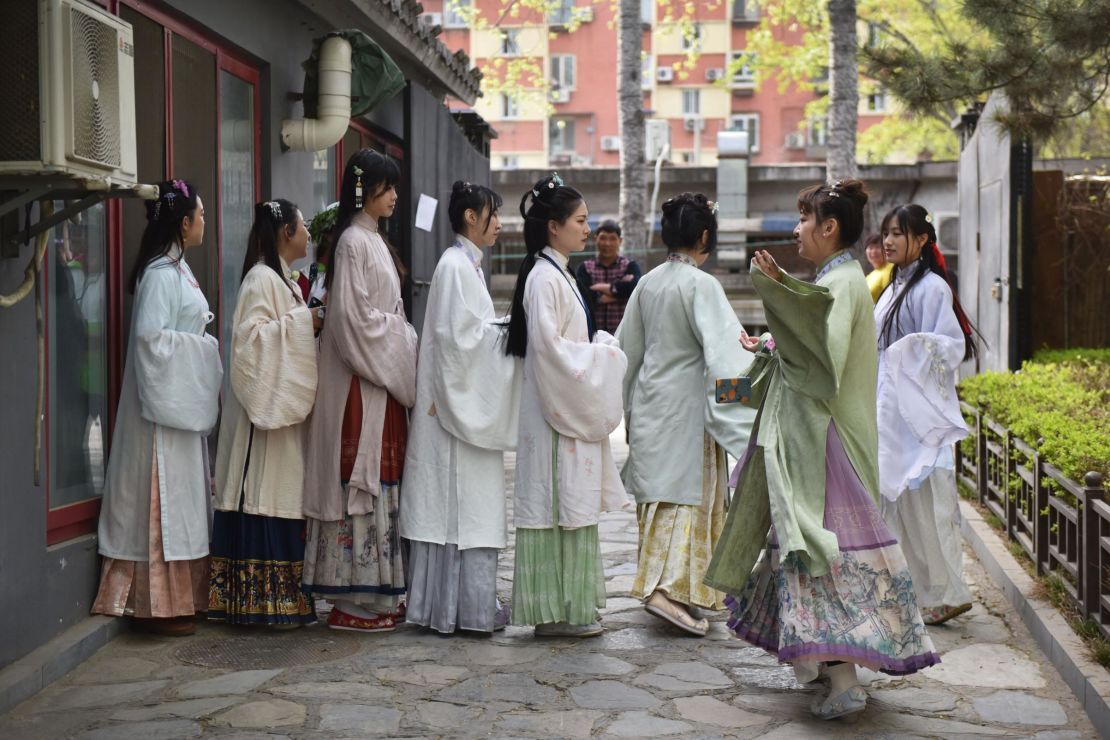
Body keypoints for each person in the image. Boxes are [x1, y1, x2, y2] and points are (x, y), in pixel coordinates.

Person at [705, 179, 939, 720]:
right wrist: (774, 326)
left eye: (805, 219)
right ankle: (828, 670)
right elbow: (810, 351)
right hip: (827, 436)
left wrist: (778, 297)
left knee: (823, 556)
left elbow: (820, 365)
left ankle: (843, 680)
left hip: (828, 441)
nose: (797, 229)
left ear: (828, 228)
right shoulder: (841, 279)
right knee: (816, 554)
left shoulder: (841, 284)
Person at [617, 193, 756, 636]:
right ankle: (667, 590)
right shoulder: (702, 286)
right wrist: (751, 396)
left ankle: (670, 588)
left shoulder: (648, 283)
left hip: (652, 405)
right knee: (686, 499)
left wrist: (622, 407)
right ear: (703, 236)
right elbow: (726, 359)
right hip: (690, 413)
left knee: (658, 498)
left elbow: (626, 352)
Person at [92, 180, 222, 636]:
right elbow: (150, 344)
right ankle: (155, 605)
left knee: (183, 501)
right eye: (201, 214)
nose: (205, 220)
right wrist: (204, 351)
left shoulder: (178, 270)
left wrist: (201, 348)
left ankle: (180, 597)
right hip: (159, 410)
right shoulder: (160, 275)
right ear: (184, 223)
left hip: (178, 406)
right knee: (161, 500)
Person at [504, 173, 629, 638]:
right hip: (555, 413)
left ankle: (566, 608)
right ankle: (555, 613)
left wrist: (595, 345)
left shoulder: (555, 273)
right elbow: (550, 350)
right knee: (560, 503)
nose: (587, 230)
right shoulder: (544, 277)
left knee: (568, 503)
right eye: (580, 221)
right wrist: (601, 354)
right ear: (553, 226)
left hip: (559, 408)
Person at [301, 149, 418, 633]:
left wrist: (394, 334)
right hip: (359, 384)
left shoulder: (370, 240)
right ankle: (353, 598)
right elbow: (352, 323)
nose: (393, 196)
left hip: (377, 382)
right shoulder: (352, 241)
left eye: (393, 188)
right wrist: (402, 337)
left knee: (379, 481)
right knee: (359, 481)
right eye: (385, 188)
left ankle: (377, 592)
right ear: (362, 190)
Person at [400, 181, 521, 634]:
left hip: (457, 407)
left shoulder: (462, 266)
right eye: (494, 213)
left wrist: (502, 328)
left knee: (464, 510)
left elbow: (471, 334)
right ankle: (462, 610)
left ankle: (463, 607)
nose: (500, 224)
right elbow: (459, 343)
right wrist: (510, 331)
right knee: (459, 509)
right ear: (471, 217)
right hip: (451, 414)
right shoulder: (454, 266)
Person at [209, 199, 322, 627]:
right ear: (284, 233)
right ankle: (260, 605)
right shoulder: (261, 279)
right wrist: (302, 324)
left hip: (281, 421)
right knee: (263, 492)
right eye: (302, 226)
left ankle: (280, 601)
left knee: (280, 492)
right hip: (262, 424)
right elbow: (250, 344)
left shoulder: (282, 280)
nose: (308, 234)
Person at [875, 203, 977, 626]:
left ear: (921, 239)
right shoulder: (895, 285)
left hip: (915, 415)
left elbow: (950, 346)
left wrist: (909, 348)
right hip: (888, 407)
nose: (889, 241)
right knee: (896, 499)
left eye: (898, 233)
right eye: (886, 233)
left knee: (925, 502)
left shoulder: (931, 287)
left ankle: (946, 591)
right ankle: (911, 588)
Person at [575, 219, 641, 334]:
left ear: (620, 241)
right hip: (592, 335)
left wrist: (598, 288)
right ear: (596, 239)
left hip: (623, 334)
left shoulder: (630, 266)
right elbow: (583, 296)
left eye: (612, 238)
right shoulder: (585, 268)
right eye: (603, 238)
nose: (607, 243)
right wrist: (620, 292)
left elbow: (634, 290)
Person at [864, 232, 893, 303]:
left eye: (878, 247)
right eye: (870, 248)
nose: (873, 252)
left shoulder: (892, 269)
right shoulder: (869, 276)